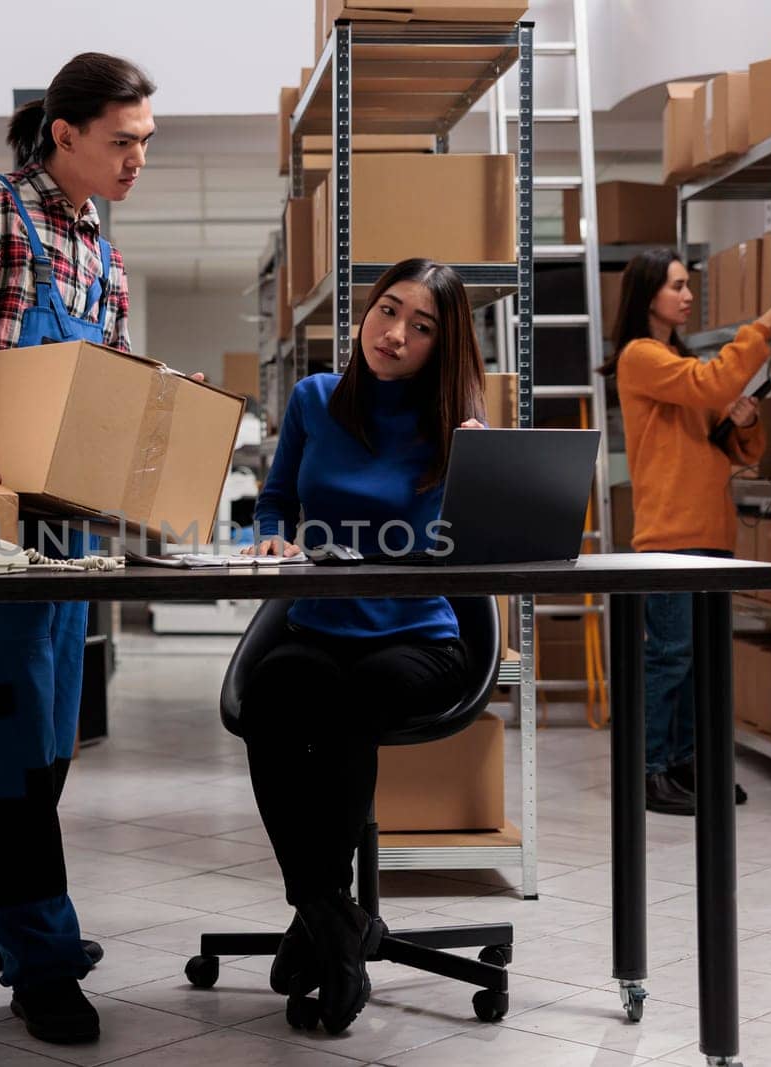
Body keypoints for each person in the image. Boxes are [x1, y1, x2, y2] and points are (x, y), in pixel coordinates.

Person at [0, 52, 156, 1045]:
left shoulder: (102, 245)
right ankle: (41, 958)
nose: (137, 158)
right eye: (121, 141)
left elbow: (108, 390)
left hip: (71, 522)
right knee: (9, 743)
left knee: (47, 741)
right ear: (62, 134)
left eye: (146, 141)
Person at [240, 258, 486, 1034]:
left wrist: (481, 471)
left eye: (422, 327)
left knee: (352, 702)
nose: (397, 334)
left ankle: (322, 922)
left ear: (440, 348)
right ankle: (333, 915)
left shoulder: (455, 423)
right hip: (317, 623)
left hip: (420, 638)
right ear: (364, 315)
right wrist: (274, 539)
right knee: (273, 695)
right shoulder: (315, 400)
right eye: (389, 311)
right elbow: (276, 500)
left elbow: (484, 545)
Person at [598, 247, 771, 816]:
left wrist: (745, 420)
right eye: (677, 285)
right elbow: (713, 384)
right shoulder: (641, 358)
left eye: (688, 285)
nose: (687, 295)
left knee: (697, 659)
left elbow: (735, 445)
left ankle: (686, 761)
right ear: (648, 294)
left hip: (709, 533)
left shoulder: (678, 362)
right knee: (670, 655)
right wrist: (762, 326)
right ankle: (648, 769)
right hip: (669, 537)